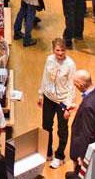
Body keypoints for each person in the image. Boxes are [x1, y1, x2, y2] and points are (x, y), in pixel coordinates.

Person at [39, 39, 77, 169]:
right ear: (53, 50)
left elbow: (72, 86)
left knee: (62, 129)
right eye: (57, 50)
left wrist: (68, 106)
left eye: (62, 50)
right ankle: (48, 151)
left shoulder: (70, 64)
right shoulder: (49, 59)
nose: (60, 53)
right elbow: (44, 76)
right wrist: (40, 93)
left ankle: (60, 155)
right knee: (46, 125)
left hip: (62, 101)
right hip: (49, 97)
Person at [67, 70, 95, 178]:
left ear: (81, 84)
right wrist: (79, 108)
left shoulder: (88, 107)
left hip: (86, 150)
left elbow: (87, 132)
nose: (75, 85)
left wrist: (82, 155)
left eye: (75, 83)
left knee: (81, 174)